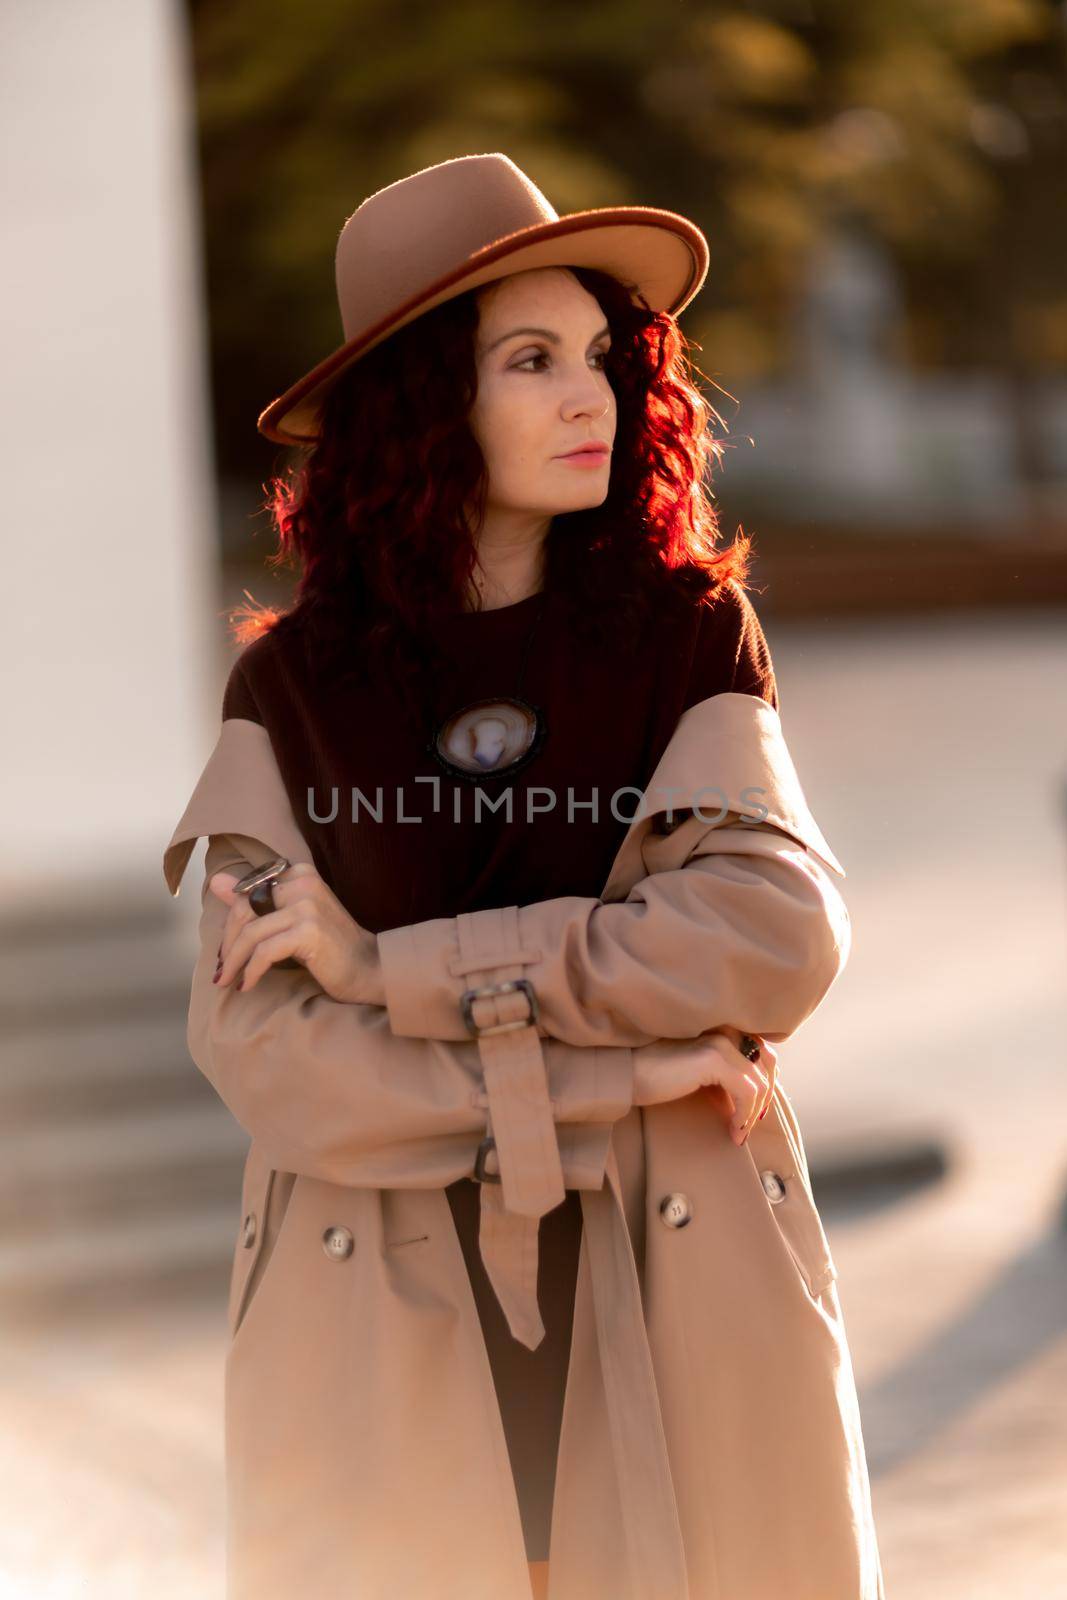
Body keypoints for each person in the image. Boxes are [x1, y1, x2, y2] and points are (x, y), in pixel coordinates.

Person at [166, 153, 884, 1598]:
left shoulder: (691, 638)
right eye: (531, 360)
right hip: (377, 1305)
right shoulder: (290, 694)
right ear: (427, 402)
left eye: (606, 359)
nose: (589, 398)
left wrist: (390, 973)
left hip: (683, 1284)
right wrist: (619, 1076)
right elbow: (277, 1063)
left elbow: (773, 939)